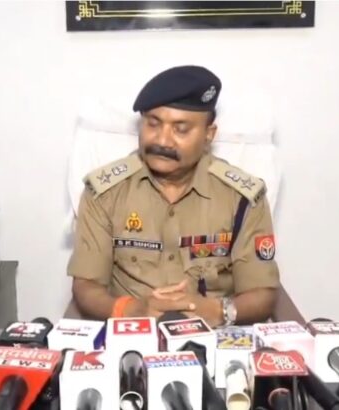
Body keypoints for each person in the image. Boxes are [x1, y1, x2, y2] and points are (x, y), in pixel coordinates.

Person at [67, 65, 280, 327]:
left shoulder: (243, 198)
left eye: (181, 129)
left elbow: (262, 293)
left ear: (208, 135)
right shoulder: (105, 193)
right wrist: (133, 309)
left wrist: (218, 311)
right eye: (153, 124)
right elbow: (86, 287)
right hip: (131, 333)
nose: (163, 141)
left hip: (213, 336)